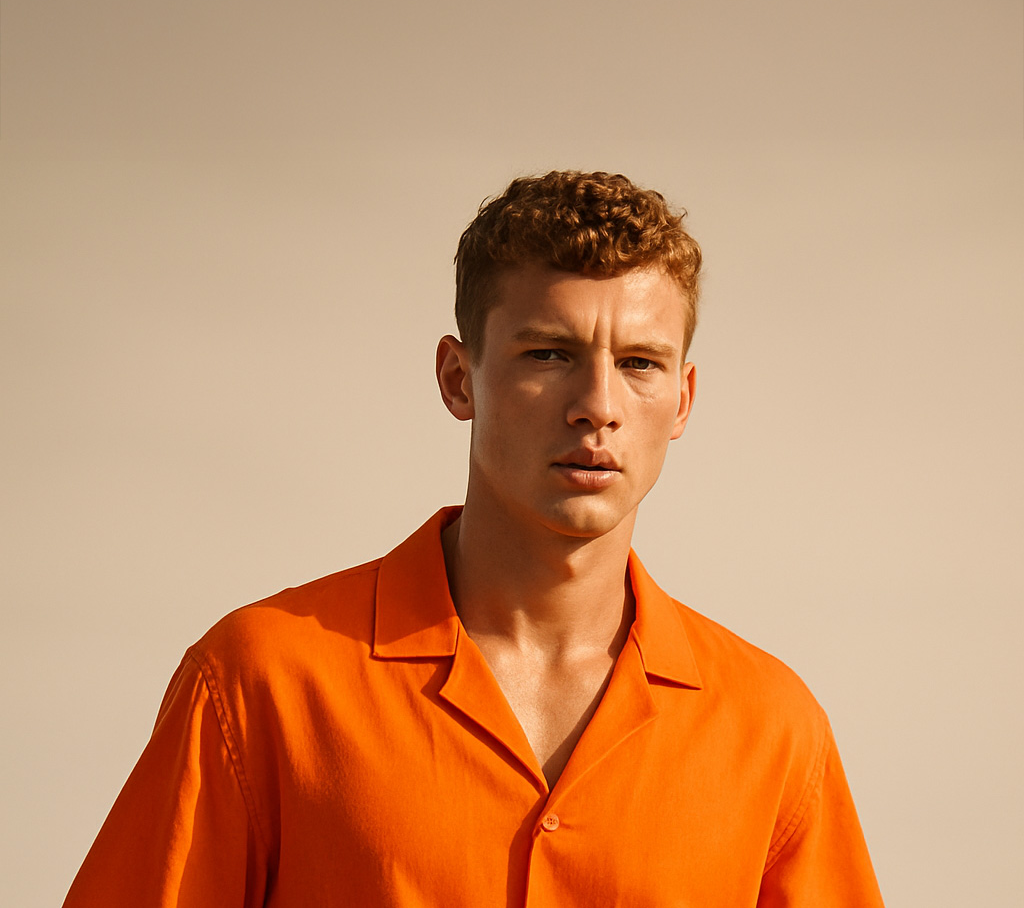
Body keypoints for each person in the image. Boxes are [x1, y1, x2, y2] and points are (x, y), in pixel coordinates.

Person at [63, 171, 884, 906]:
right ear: (460, 378)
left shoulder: (770, 727)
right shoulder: (263, 683)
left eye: (639, 362)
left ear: (683, 400)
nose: (597, 404)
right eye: (550, 353)